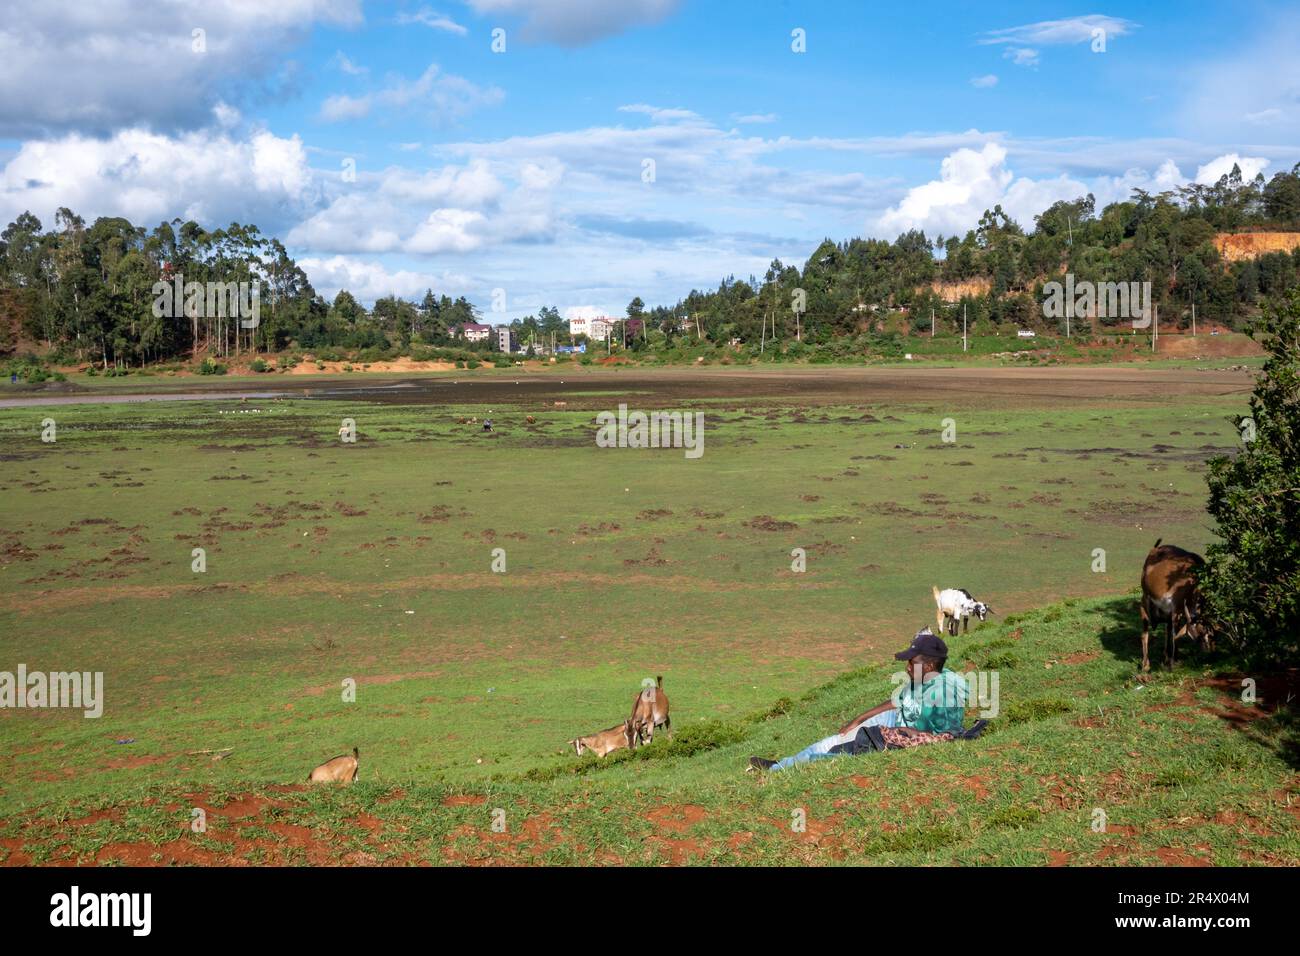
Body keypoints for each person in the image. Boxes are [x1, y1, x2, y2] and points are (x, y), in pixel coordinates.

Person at [748, 628, 967, 773]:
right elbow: (897, 700)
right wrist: (858, 719)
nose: (907, 668)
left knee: (838, 751)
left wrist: (913, 734)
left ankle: (779, 769)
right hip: (895, 718)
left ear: (929, 666)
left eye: (911, 663)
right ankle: (783, 764)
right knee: (833, 740)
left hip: (901, 732)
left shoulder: (946, 692)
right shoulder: (924, 676)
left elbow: (947, 736)